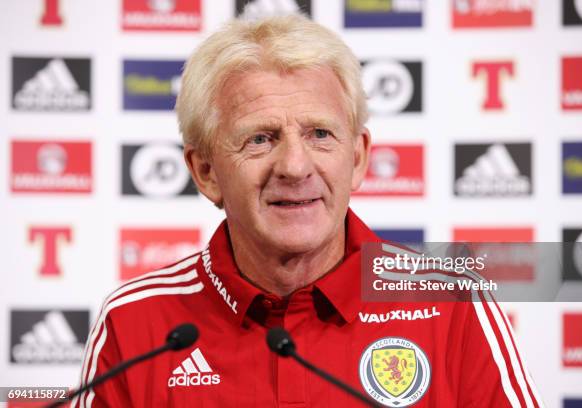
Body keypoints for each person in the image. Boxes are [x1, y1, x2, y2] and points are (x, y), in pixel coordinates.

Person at [74, 14, 541, 408]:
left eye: (320, 133)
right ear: (206, 171)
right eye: (260, 138)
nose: (295, 167)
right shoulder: (135, 323)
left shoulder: (452, 305)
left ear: (357, 157)